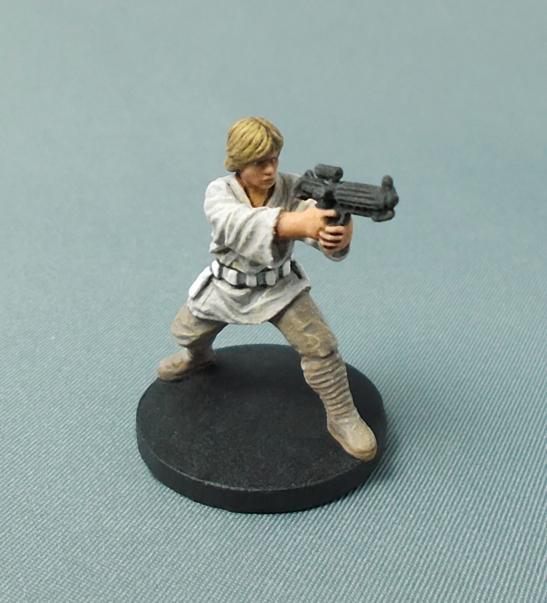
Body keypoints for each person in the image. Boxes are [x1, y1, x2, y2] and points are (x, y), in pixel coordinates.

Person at [158, 116, 377, 462]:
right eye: (260, 162)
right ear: (239, 161)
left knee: (321, 348)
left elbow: (313, 222)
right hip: (226, 287)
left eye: (274, 159)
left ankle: (342, 416)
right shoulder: (219, 192)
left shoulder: (291, 187)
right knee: (185, 331)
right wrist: (297, 223)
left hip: (279, 288)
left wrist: (336, 233)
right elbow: (235, 224)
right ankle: (197, 357)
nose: (270, 169)